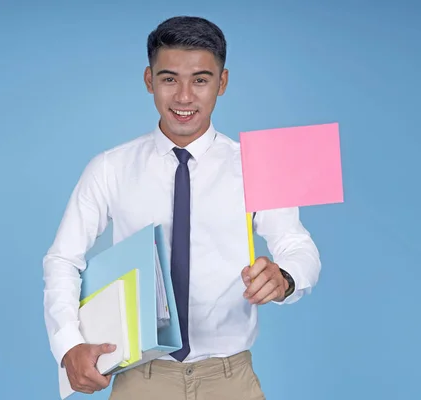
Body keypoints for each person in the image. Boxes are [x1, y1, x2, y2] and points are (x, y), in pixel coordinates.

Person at [43, 15, 321, 400]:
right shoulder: (109, 168)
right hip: (141, 379)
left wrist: (285, 277)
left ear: (222, 83)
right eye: (169, 78)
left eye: (201, 80)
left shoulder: (258, 166)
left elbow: (298, 246)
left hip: (230, 380)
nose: (184, 97)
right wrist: (68, 344)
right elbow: (62, 259)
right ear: (148, 79)